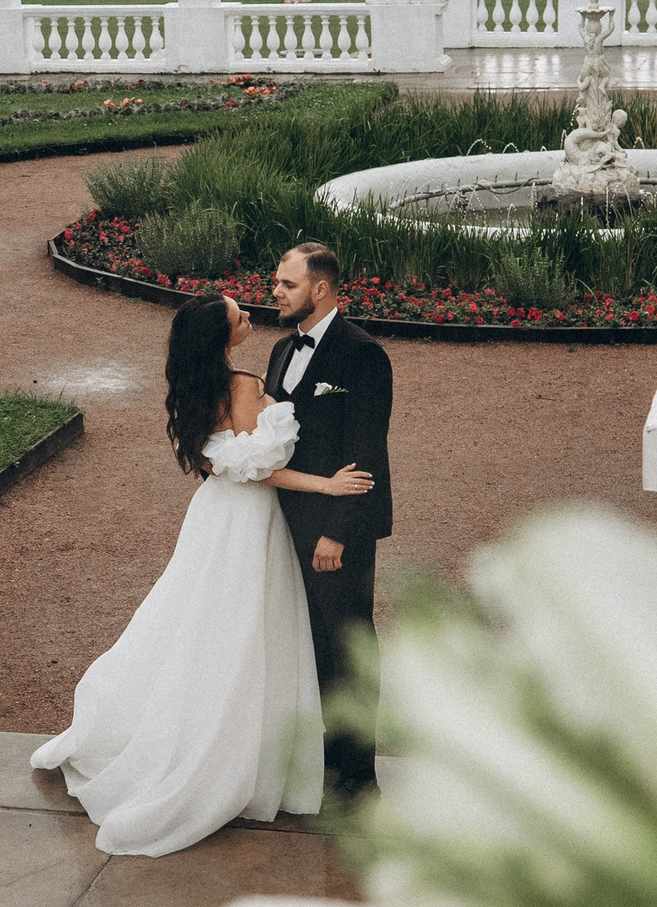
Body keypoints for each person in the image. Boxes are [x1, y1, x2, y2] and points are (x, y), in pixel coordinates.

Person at [33, 294, 375, 855]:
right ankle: (233, 760)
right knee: (243, 631)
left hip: (214, 517)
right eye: (239, 316)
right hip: (247, 519)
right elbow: (256, 469)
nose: (248, 317)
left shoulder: (194, 386)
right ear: (223, 336)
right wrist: (326, 486)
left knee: (203, 624)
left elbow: (222, 463)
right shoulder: (240, 384)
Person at [263, 243, 393, 794]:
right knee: (307, 642)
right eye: (276, 282)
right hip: (284, 521)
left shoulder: (362, 355)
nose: (275, 292)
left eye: (287, 285)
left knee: (346, 644)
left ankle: (358, 773)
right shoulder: (277, 350)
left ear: (321, 290)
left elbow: (364, 453)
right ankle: (322, 754)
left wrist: (335, 532)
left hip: (335, 530)